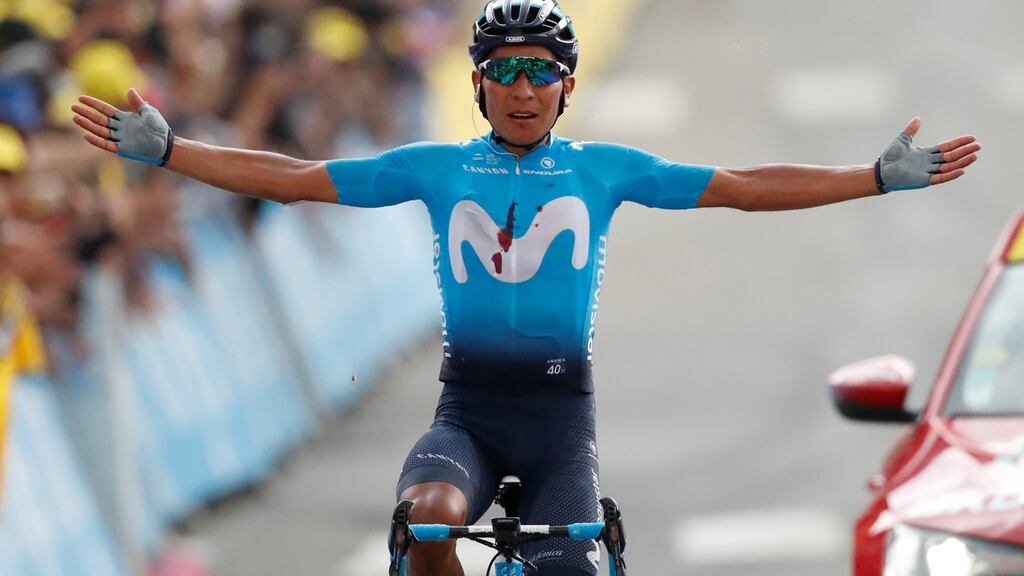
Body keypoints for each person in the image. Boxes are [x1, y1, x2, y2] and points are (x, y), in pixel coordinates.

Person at [70, 1, 982, 574]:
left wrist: (870, 175)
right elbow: (298, 176)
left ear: (566, 86)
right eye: (501, 69)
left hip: (559, 425)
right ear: (475, 84)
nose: (520, 86)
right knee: (427, 527)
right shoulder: (434, 167)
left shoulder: (605, 169)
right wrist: (176, 153)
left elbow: (743, 187)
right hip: (466, 412)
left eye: (537, 71)